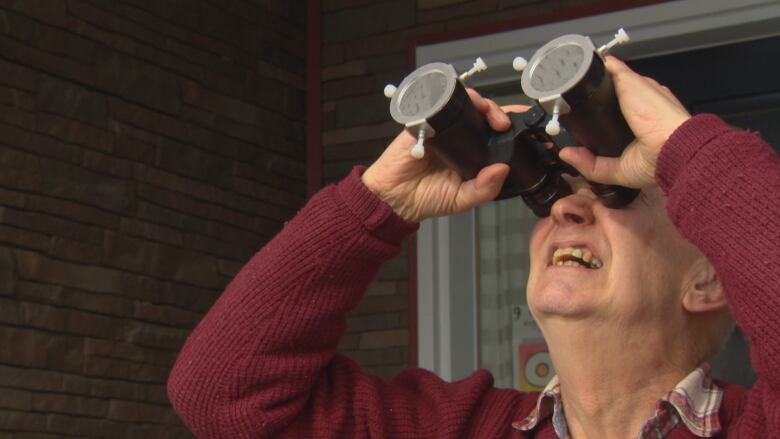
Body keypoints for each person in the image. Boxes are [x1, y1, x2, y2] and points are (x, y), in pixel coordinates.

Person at [166, 57, 780, 438]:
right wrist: (380, 203)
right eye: (553, 197)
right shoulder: (454, 428)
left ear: (707, 279)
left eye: (618, 195)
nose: (566, 208)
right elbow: (225, 395)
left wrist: (690, 151)